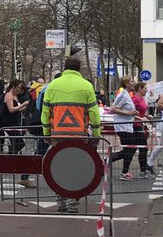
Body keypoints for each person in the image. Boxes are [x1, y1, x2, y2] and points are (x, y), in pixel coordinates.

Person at [42, 56, 102, 213]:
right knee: (76, 169)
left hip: (57, 135)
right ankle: (72, 205)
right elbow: (94, 113)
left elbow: (45, 112)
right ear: (79, 68)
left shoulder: (53, 85)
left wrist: (47, 132)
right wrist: (96, 134)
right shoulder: (86, 86)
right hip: (78, 136)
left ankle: (60, 201)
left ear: (65, 67)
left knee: (57, 166)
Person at [109, 77, 141, 181]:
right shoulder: (122, 94)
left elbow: (129, 111)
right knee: (130, 148)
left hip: (127, 125)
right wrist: (129, 113)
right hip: (122, 126)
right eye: (132, 82)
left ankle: (110, 160)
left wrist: (139, 117)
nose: (134, 83)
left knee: (130, 148)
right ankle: (123, 172)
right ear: (126, 83)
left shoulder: (127, 95)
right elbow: (113, 109)